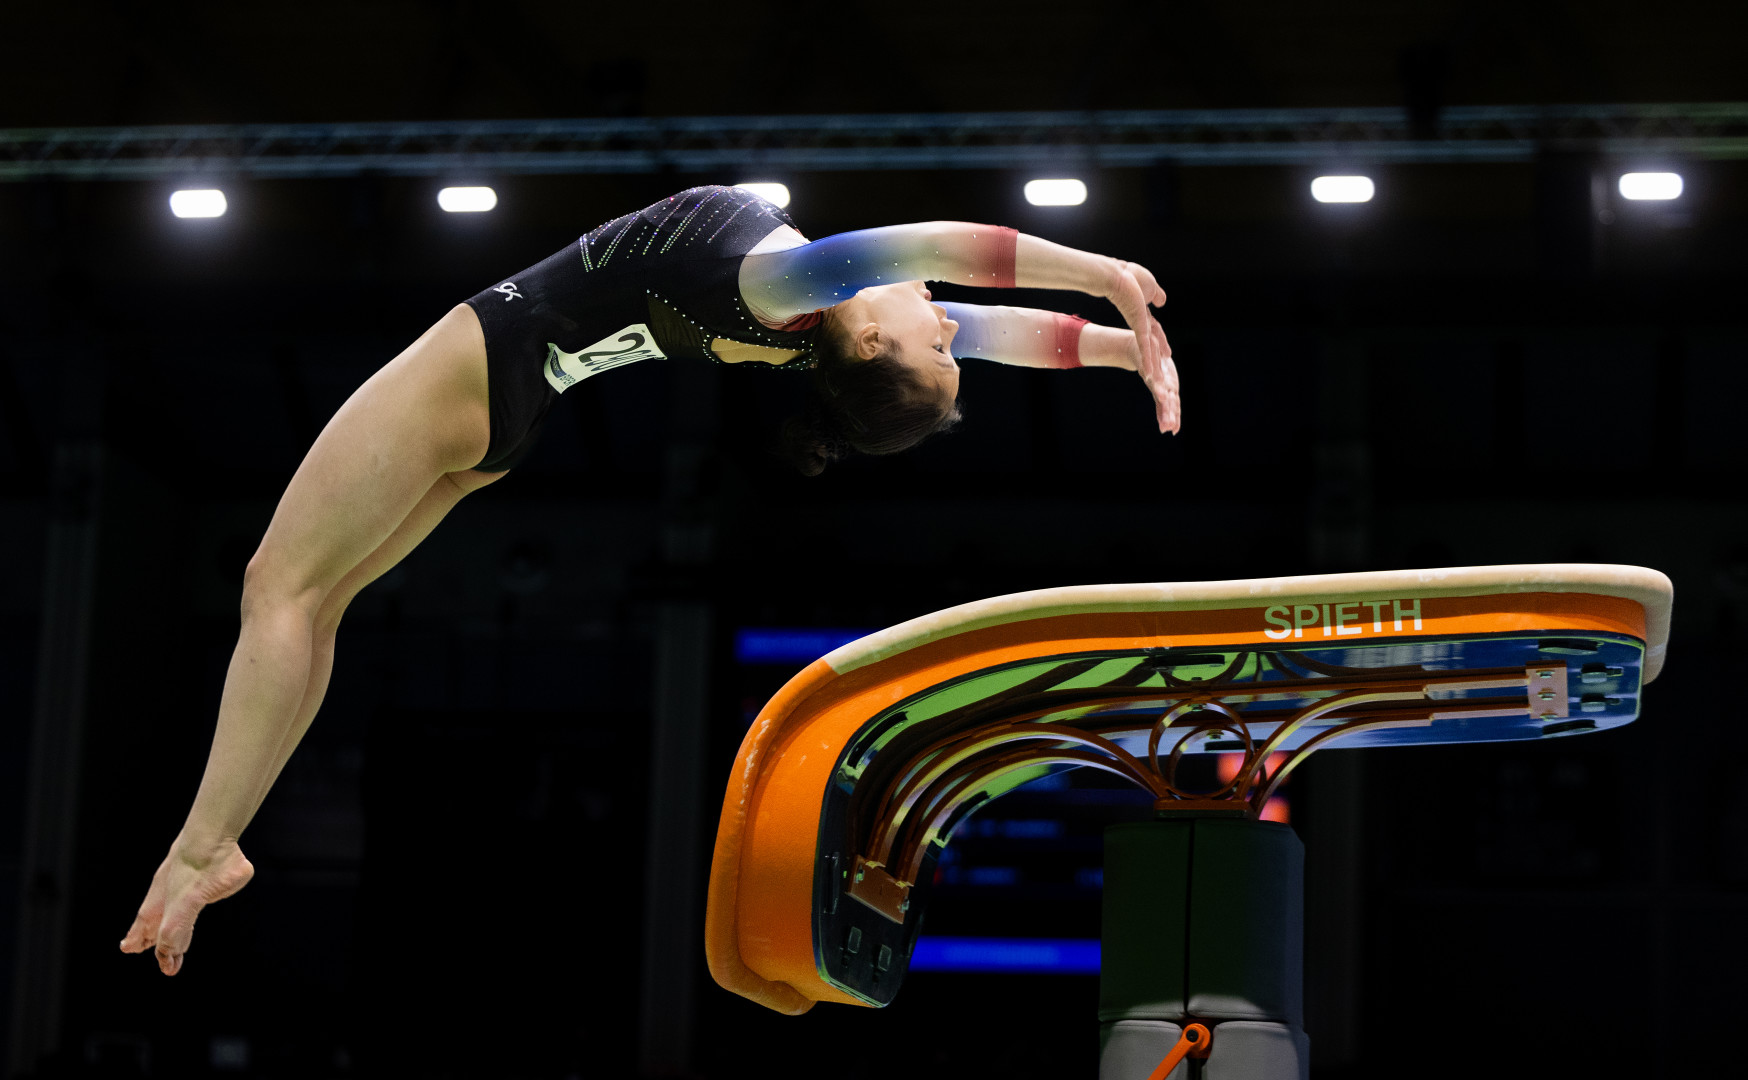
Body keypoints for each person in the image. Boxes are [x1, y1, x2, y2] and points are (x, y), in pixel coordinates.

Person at [118, 184, 1181, 975]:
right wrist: (1122, 352)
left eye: (933, 346)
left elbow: (944, 247)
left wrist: (1103, 277)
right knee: (318, 602)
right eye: (948, 341)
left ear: (866, 336)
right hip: (507, 411)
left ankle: (203, 847)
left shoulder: (787, 289)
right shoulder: (810, 335)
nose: (948, 323)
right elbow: (1005, 329)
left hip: (484, 357)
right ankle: (217, 843)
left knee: (278, 589)